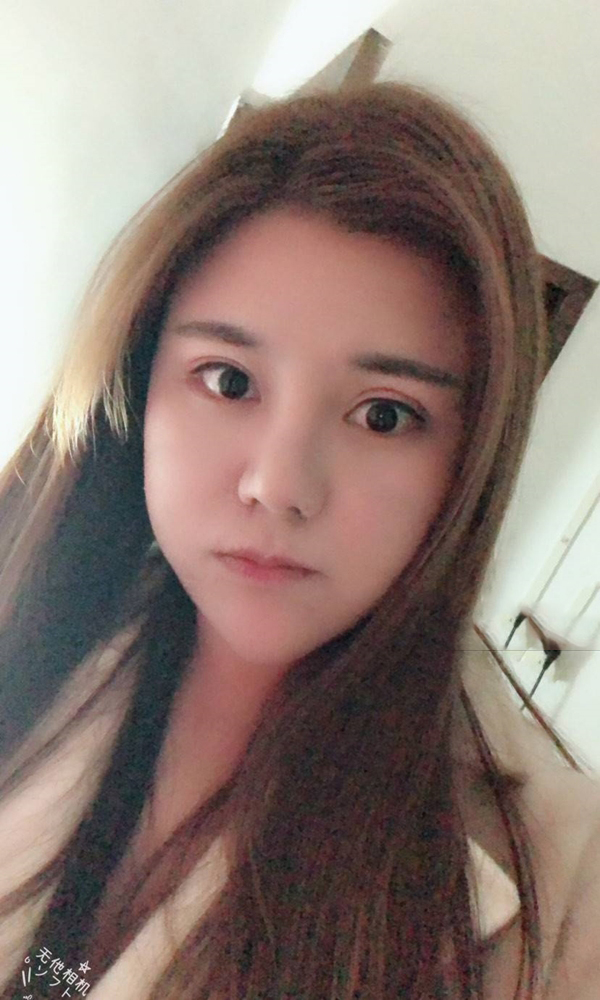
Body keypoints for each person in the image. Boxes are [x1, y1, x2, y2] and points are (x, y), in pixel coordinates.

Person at [0, 80, 598, 1000]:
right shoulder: (29, 629)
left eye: (385, 414)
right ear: (138, 383)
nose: (278, 486)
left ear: (473, 458)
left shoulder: (568, 890)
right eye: (228, 380)